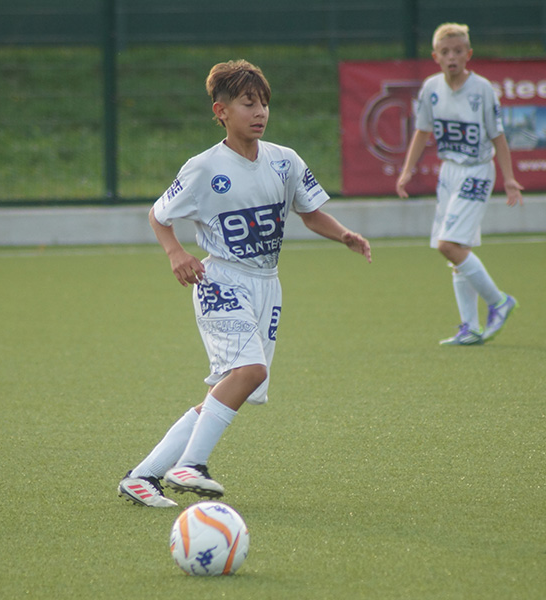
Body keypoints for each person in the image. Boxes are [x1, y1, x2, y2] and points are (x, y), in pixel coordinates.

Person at [118, 59, 372, 508]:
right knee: (251, 371)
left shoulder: (284, 160)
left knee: (226, 393)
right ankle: (191, 465)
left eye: (264, 104)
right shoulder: (203, 168)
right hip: (220, 280)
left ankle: (143, 476)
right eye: (248, 104)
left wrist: (344, 234)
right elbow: (159, 214)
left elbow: (310, 212)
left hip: (266, 286)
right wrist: (176, 253)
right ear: (221, 111)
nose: (259, 112)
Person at [396, 23, 523, 346]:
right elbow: (422, 131)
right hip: (449, 172)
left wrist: (509, 179)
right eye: (445, 52)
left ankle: (498, 301)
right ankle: (470, 327)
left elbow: (498, 137)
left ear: (468, 54)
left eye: (457, 51)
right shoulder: (431, 88)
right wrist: (407, 170)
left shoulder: (482, 90)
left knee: (447, 244)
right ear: (435, 56)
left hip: (477, 170)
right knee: (458, 251)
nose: (451, 57)